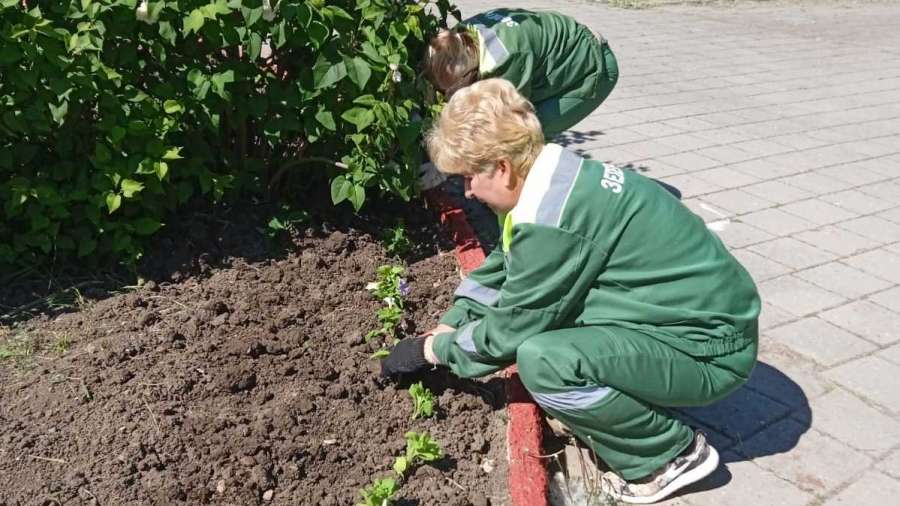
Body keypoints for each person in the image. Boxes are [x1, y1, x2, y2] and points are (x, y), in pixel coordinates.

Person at [380, 79, 760, 504]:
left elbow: (509, 333)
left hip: (709, 352)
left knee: (546, 361)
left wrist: (431, 352)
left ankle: (666, 457)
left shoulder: (552, 223)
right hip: (701, 324)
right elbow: (508, 262)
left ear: (502, 167)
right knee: (560, 332)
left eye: (469, 177)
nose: (466, 191)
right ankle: (621, 405)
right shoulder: (556, 179)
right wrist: (452, 320)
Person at [423, 7, 618, 140]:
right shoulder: (457, 38)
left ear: (470, 72)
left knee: (525, 134)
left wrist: (448, 163)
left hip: (593, 67)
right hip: (560, 49)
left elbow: (506, 123)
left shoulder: (507, 59)